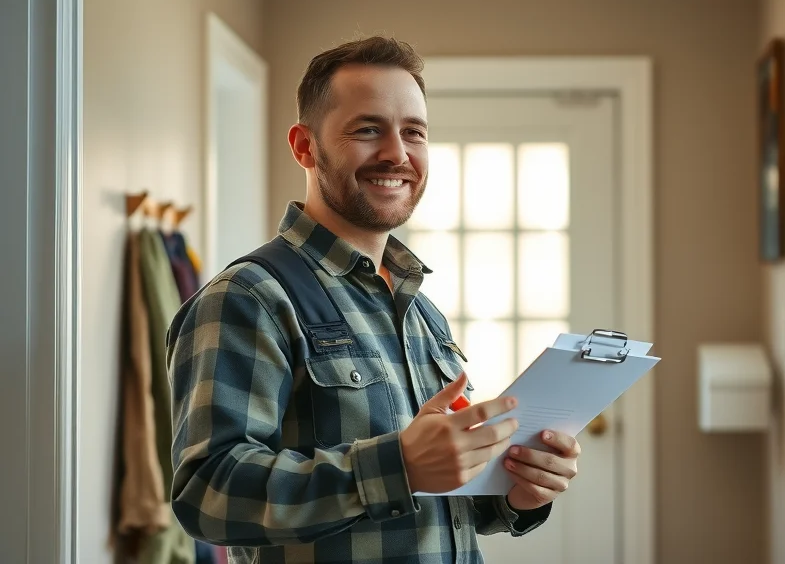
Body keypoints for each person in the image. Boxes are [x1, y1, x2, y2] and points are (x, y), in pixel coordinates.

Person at [165, 36, 583, 563]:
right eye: (368, 129)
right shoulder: (249, 297)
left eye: (414, 132)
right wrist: (398, 466)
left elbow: (442, 503)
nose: (397, 153)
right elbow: (207, 495)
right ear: (304, 146)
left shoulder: (420, 311)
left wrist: (516, 491)